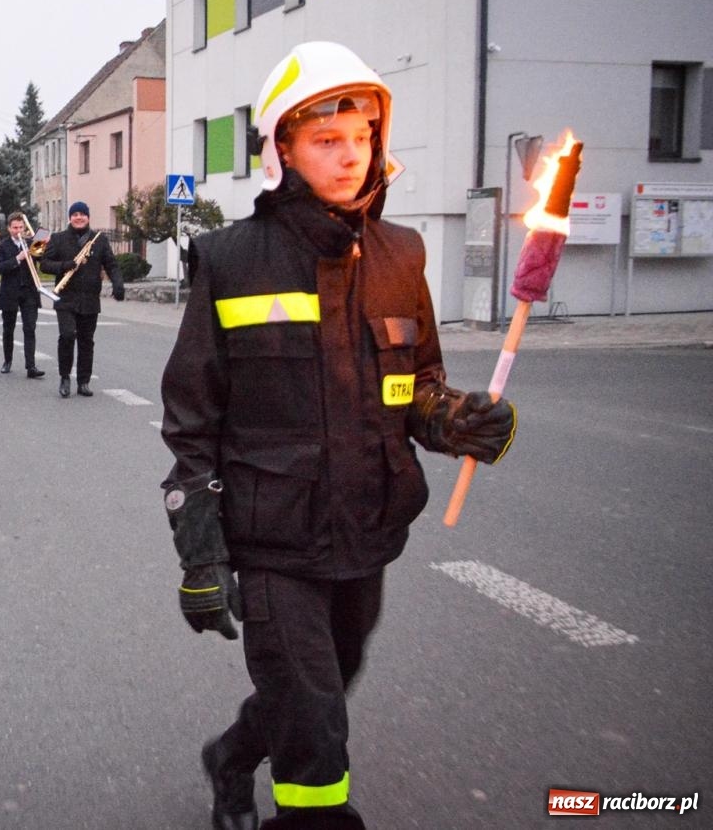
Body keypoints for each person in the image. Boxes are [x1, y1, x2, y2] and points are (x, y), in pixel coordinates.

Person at [158, 42, 518, 830]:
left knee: (324, 685)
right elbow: (191, 422)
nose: (351, 156)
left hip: (366, 528)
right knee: (316, 727)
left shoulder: (402, 254)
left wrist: (456, 419)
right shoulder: (230, 259)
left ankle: (231, 755)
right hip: (273, 539)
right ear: (282, 148)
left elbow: (416, 384)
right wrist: (201, 553)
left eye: (362, 137)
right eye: (327, 140)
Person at [41, 201, 124, 398]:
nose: (79, 217)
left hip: (89, 299)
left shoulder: (99, 240)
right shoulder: (59, 239)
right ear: (70, 217)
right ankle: (64, 377)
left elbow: (111, 264)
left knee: (86, 341)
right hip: (66, 298)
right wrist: (65, 265)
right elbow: (45, 264)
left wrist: (118, 284)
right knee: (67, 335)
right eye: (75, 214)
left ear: (88, 217)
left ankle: (83, 381)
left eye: (82, 214)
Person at [0, 212, 48, 379]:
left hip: (29, 291)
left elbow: (42, 260)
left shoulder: (31, 242)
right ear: (9, 228)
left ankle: (31, 366)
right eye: (15, 228)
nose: (18, 231)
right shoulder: (2, 246)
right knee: (8, 329)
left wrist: (43, 244)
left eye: (21, 227)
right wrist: (18, 258)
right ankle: (7, 361)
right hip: (10, 291)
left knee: (30, 328)